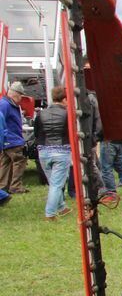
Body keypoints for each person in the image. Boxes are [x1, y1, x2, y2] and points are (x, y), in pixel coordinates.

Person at [33, 86, 73, 220]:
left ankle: (62, 207)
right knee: (57, 184)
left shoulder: (40, 114)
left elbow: (36, 132)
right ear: (65, 99)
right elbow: (71, 133)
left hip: (43, 151)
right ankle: (50, 214)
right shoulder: (68, 114)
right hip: (62, 151)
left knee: (53, 182)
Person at [0, 81, 29, 194]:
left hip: (8, 139)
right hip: (12, 140)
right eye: (21, 95)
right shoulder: (5, 105)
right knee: (20, 161)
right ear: (15, 94)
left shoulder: (6, 103)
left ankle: (3, 187)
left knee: (5, 163)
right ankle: (15, 186)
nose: (21, 98)